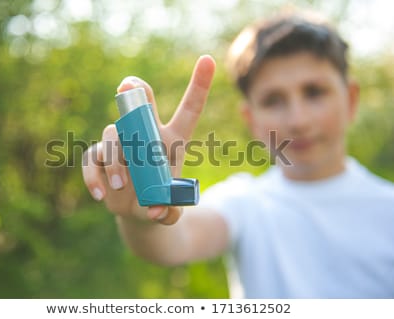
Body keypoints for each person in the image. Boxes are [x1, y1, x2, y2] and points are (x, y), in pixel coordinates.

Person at [82, 11, 394, 298]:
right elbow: (174, 242)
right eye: (273, 100)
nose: (298, 120)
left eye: (314, 92)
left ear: (351, 99)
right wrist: (143, 213)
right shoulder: (245, 201)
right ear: (251, 119)